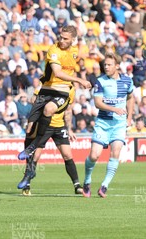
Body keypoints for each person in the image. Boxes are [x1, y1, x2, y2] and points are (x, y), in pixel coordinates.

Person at [18, 26, 92, 160]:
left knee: (49, 109)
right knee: (29, 128)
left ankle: (35, 145)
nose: (61, 40)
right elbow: (57, 72)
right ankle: (29, 169)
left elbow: (81, 55)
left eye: (65, 38)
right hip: (46, 89)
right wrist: (80, 80)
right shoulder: (54, 49)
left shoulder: (74, 51)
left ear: (72, 40)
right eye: (61, 37)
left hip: (62, 92)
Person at [82, 53, 135, 198]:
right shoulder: (100, 81)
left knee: (116, 152)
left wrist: (129, 117)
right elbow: (98, 103)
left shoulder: (127, 81)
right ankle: (87, 181)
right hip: (103, 123)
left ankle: (104, 186)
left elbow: (131, 98)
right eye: (105, 64)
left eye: (109, 64)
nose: (106, 67)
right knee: (94, 155)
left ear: (117, 66)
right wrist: (114, 109)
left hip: (119, 124)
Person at [17, 87, 82, 196]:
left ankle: (77, 185)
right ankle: (27, 184)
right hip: (44, 126)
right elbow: (33, 100)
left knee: (67, 155)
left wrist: (69, 129)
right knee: (35, 156)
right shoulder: (47, 85)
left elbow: (68, 110)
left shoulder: (71, 90)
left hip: (59, 126)